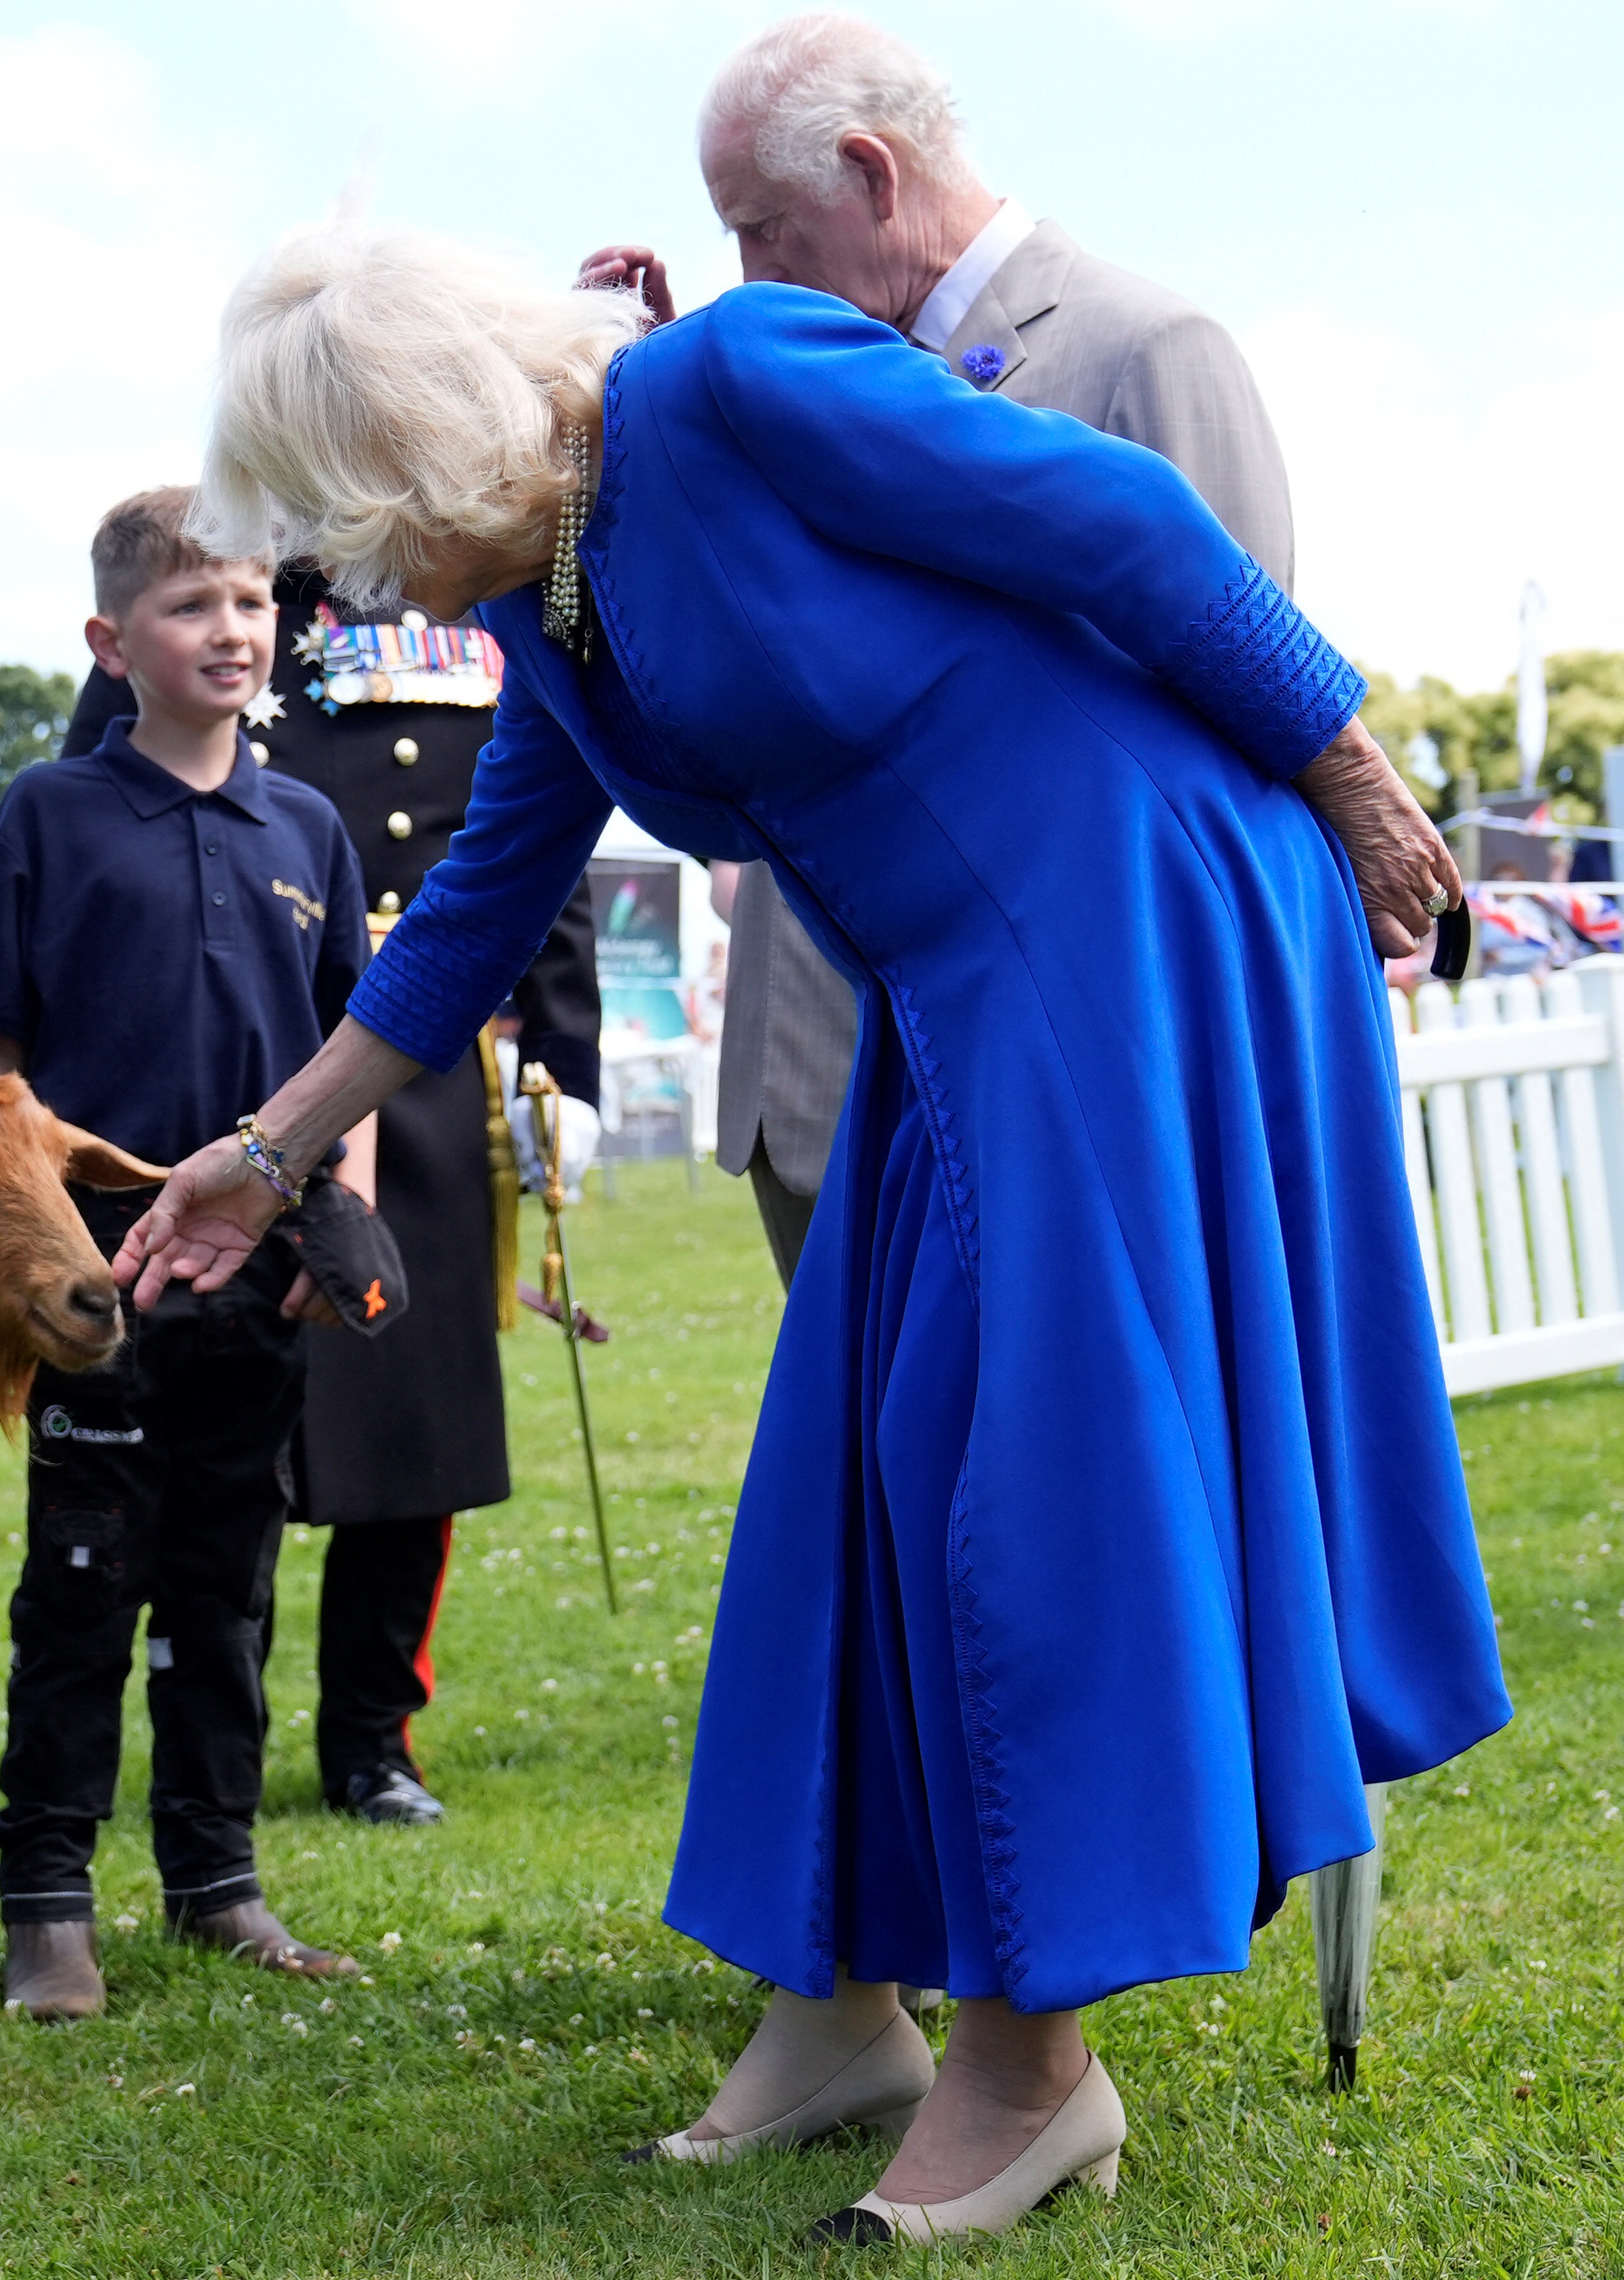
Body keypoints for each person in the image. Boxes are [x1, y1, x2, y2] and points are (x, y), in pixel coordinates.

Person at [115, 223, 1509, 2243]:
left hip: (1122, 919)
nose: (338, 584)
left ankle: (1038, 2069)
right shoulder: (553, 601)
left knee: (1021, 1487)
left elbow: (1120, 522)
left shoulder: (732, 384)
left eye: (341, 523)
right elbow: (491, 898)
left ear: (416, 453)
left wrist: (1360, 784)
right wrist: (267, 1145)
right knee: (845, 1490)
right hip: (950, 995)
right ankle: (839, 2001)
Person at [583, 12, 1298, 1293]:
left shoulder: (1147, 349)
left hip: (1055, 1073)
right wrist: (684, 409)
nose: (747, 275)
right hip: (812, 1069)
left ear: (870, 173)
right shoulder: (772, 366)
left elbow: (1228, 739)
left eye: (761, 227)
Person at [61, 572, 602, 1826]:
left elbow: (542, 838)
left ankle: (374, 1738)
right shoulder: (216, 600)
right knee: (204, 1435)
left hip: (414, 1071)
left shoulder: (485, 607)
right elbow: (106, 813)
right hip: (222, 1051)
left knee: (414, 1434)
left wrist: (556, 1067)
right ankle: (210, 1725)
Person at [0, 487, 373, 2020]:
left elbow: (353, 1051)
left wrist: (341, 1226)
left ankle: (217, 1878)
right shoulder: (49, 818)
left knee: (225, 1583)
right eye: (195, 606)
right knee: (82, 1580)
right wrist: (3, 1275)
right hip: (93, 1284)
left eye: (254, 603)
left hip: (255, 1277)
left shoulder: (306, 824)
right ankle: (46, 1902)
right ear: (111, 641)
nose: (234, 631)